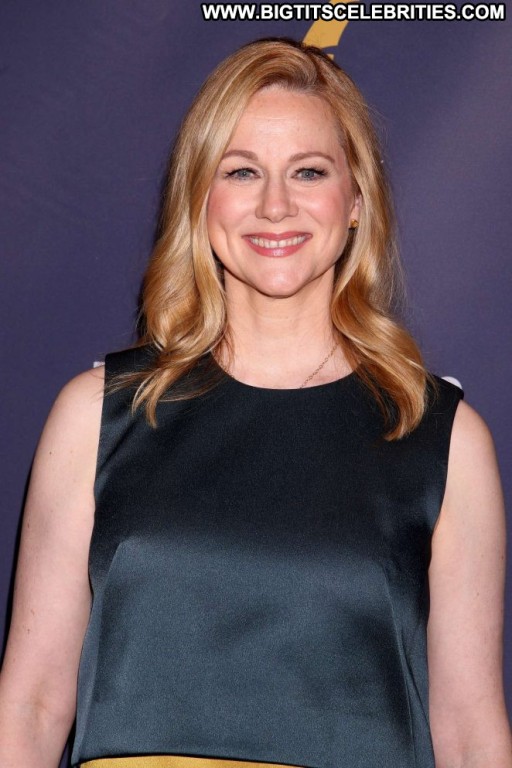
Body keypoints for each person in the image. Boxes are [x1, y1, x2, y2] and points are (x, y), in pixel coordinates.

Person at [0, 37, 510, 768]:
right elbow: (31, 705)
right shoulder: (97, 416)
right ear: (200, 198)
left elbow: (467, 730)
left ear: (356, 201)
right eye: (241, 171)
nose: (276, 205)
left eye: (309, 171)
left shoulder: (440, 438)